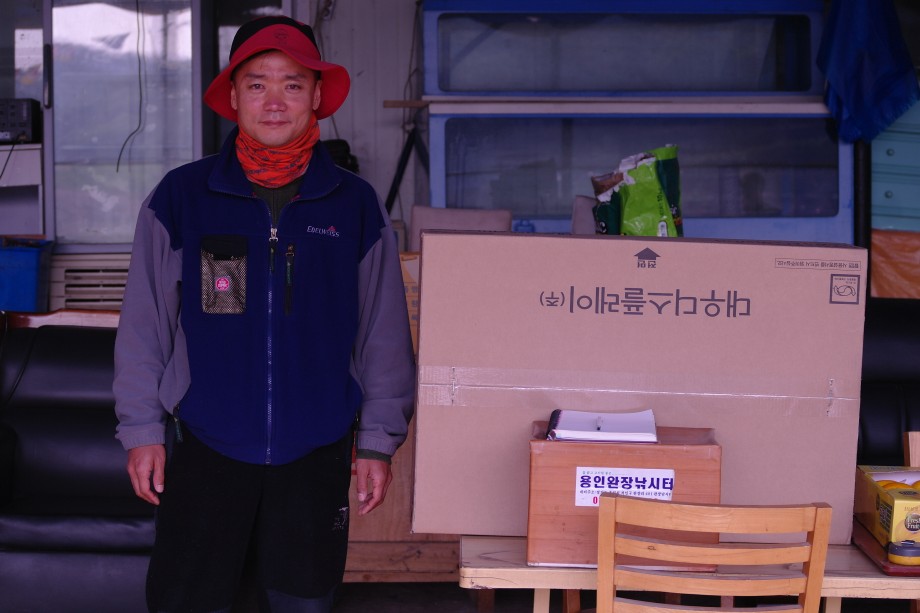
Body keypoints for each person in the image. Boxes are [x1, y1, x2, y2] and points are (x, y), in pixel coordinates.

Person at [112, 15, 415, 613]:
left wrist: (378, 441)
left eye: (292, 84)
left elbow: (382, 333)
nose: (274, 101)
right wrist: (142, 431)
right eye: (257, 84)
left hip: (317, 448)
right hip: (205, 444)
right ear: (232, 95)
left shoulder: (353, 204)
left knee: (302, 602)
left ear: (317, 96)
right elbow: (145, 325)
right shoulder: (182, 197)